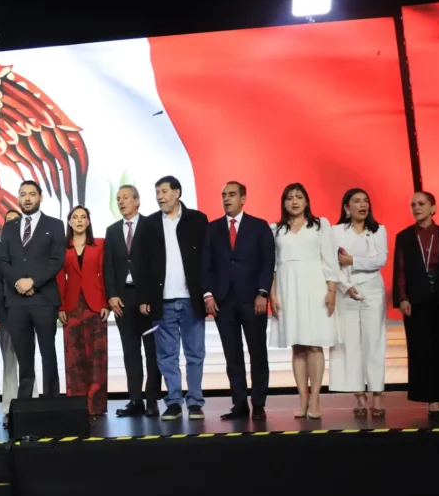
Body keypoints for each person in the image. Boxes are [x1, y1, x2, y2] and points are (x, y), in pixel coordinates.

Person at [135, 176, 209, 421]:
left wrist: (207, 292)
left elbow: (207, 260)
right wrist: (145, 297)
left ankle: (195, 402)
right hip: (162, 300)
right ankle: (174, 402)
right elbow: (141, 263)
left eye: (164, 191)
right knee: (166, 355)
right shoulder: (150, 223)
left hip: (191, 298)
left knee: (194, 353)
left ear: (177, 193)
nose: (160, 197)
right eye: (157, 192)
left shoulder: (197, 220)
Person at [201, 182, 276, 420]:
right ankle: (239, 404)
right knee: (232, 357)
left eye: (232, 195)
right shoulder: (212, 229)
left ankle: (259, 404)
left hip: (253, 300)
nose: (226, 199)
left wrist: (263, 293)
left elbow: (268, 262)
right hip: (223, 302)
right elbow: (205, 265)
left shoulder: (259, 226)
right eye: (223, 195)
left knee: (257, 354)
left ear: (243, 198)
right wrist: (208, 295)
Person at [270, 183, 339, 419]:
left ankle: (316, 400)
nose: (294, 202)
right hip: (288, 288)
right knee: (297, 346)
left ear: (307, 201)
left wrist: (331, 290)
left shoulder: (320, 225)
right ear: (284, 203)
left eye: (299, 197)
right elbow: (275, 266)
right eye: (289, 198)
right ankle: (303, 399)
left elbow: (330, 259)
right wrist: (273, 293)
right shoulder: (276, 229)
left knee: (314, 344)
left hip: (315, 286)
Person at [393, 191, 439, 420]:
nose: (416, 208)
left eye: (421, 204)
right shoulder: (404, 237)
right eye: (412, 204)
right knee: (423, 350)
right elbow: (400, 269)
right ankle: (431, 398)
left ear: (433, 208)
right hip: (417, 302)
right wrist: (402, 298)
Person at [0, 181, 65, 399]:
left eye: (32, 194)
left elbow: (57, 261)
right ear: (18, 198)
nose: (27, 198)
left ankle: (53, 403)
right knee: (24, 357)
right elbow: (3, 261)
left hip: (44, 300)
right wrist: (18, 282)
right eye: (23, 194)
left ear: (40, 197)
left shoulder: (55, 225)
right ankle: (25, 407)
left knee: (48, 354)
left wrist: (32, 282)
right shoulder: (9, 226)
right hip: (17, 302)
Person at [330, 188, 388, 418]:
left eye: (365, 201)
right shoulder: (335, 232)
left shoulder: (378, 230)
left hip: (373, 289)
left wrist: (352, 260)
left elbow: (380, 260)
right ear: (346, 208)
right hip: (346, 291)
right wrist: (345, 286)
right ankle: (358, 394)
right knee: (350, 342)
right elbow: (333, 263)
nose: (362, 205)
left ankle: (377, 393)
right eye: (356, 201)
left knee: (374, 341)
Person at [104, 185, 160, 418]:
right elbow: (108, 266)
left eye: (126, 198)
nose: (121, 202)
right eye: (118, 199)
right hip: (122, 298)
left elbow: (157, 263)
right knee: (130, 351)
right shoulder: (112, 230)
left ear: (137, 201)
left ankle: (152, 401)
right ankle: (135, 399)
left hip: (145, 297)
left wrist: (150, 297)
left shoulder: (151, 226)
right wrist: (111, 295)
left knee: (152, 351)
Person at [55, 206, 108, 415]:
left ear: (88, 222)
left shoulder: (100, 245)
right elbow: (59, 278)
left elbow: (104, 274)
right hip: (71, 306)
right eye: (74, 217)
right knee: (73, 357)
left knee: (97, 357)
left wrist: (105, 303)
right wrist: (60, 306)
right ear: (69, 222)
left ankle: (96, 405)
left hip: (94, 304)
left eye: (83, 217)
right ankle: (77, 404)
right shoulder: (63, 247)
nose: (78, 221)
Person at [0, 209, 31, 426]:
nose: (12, 224)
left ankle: (31, 402)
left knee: (26, 360)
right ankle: (9, 405)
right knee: (8, 360)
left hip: (26, 309)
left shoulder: (27, 251)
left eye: (15, 221)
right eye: (8, 222)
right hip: (4, 311)